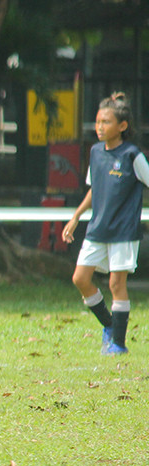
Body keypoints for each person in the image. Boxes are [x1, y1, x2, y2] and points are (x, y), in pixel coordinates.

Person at [62, 92, 149, 355]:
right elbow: (94, 188)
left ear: (122, 126)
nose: (99, 127)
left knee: (115, 284)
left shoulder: (132, 155)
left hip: (123, 232)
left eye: (106, 122)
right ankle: (110, 326)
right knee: (80, 278)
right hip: (97, 229)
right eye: (98, 121)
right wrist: (76, 216)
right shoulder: (96, 152)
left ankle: (119, 345)